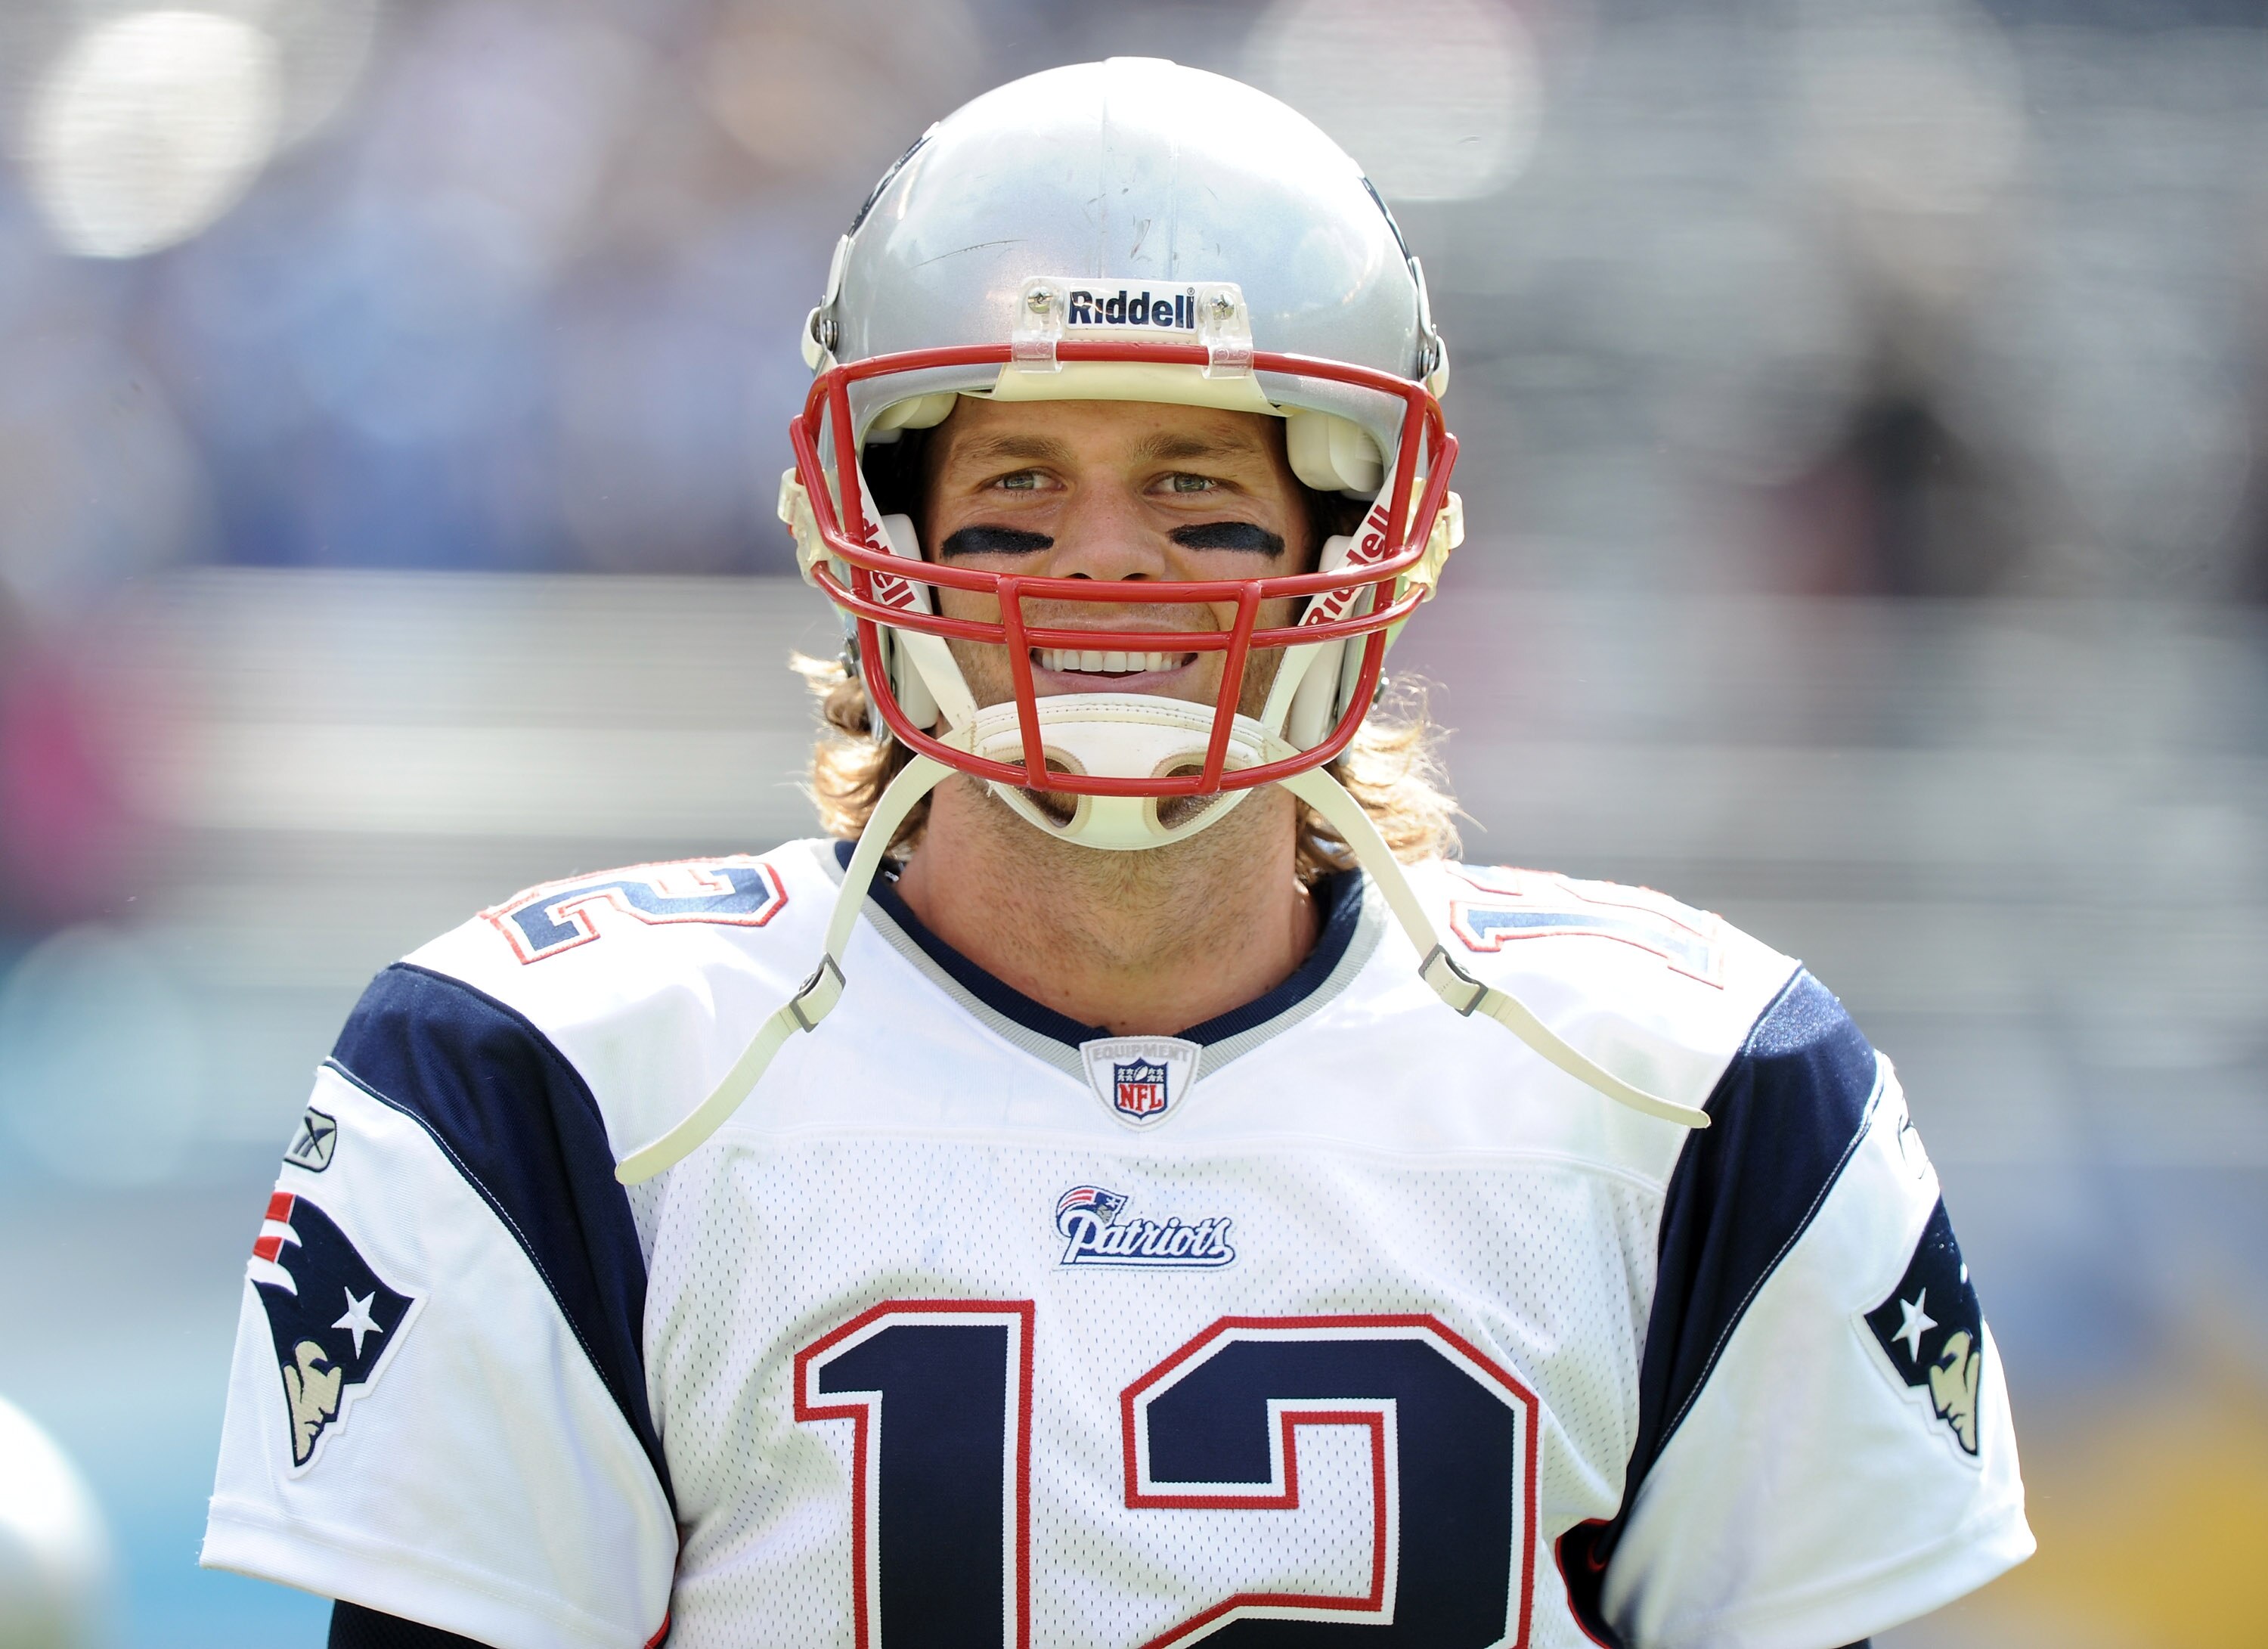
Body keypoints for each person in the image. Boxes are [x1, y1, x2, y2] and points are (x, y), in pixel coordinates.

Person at [203, 58, 2031, 1649]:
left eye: (1197, 490)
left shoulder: (1700, 1090)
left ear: (1364, 535)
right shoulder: (554, 1077)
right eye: (1014, 495)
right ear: (868, 519)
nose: (1104, 569)